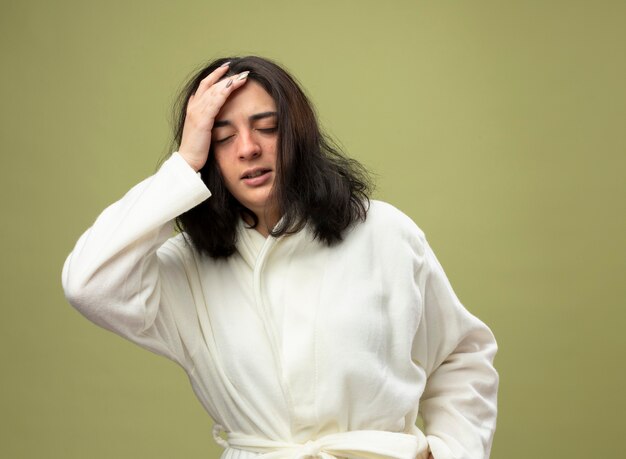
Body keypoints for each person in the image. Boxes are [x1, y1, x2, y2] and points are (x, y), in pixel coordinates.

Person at [62, 56, 498, 459]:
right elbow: (88, 283)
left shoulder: (384, 233)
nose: (247, 148)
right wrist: (183, 162)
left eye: (266, 127)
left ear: (297, 136)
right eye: (221, 137)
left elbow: (460, 354)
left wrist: (449, 453)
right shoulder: (186, 268)